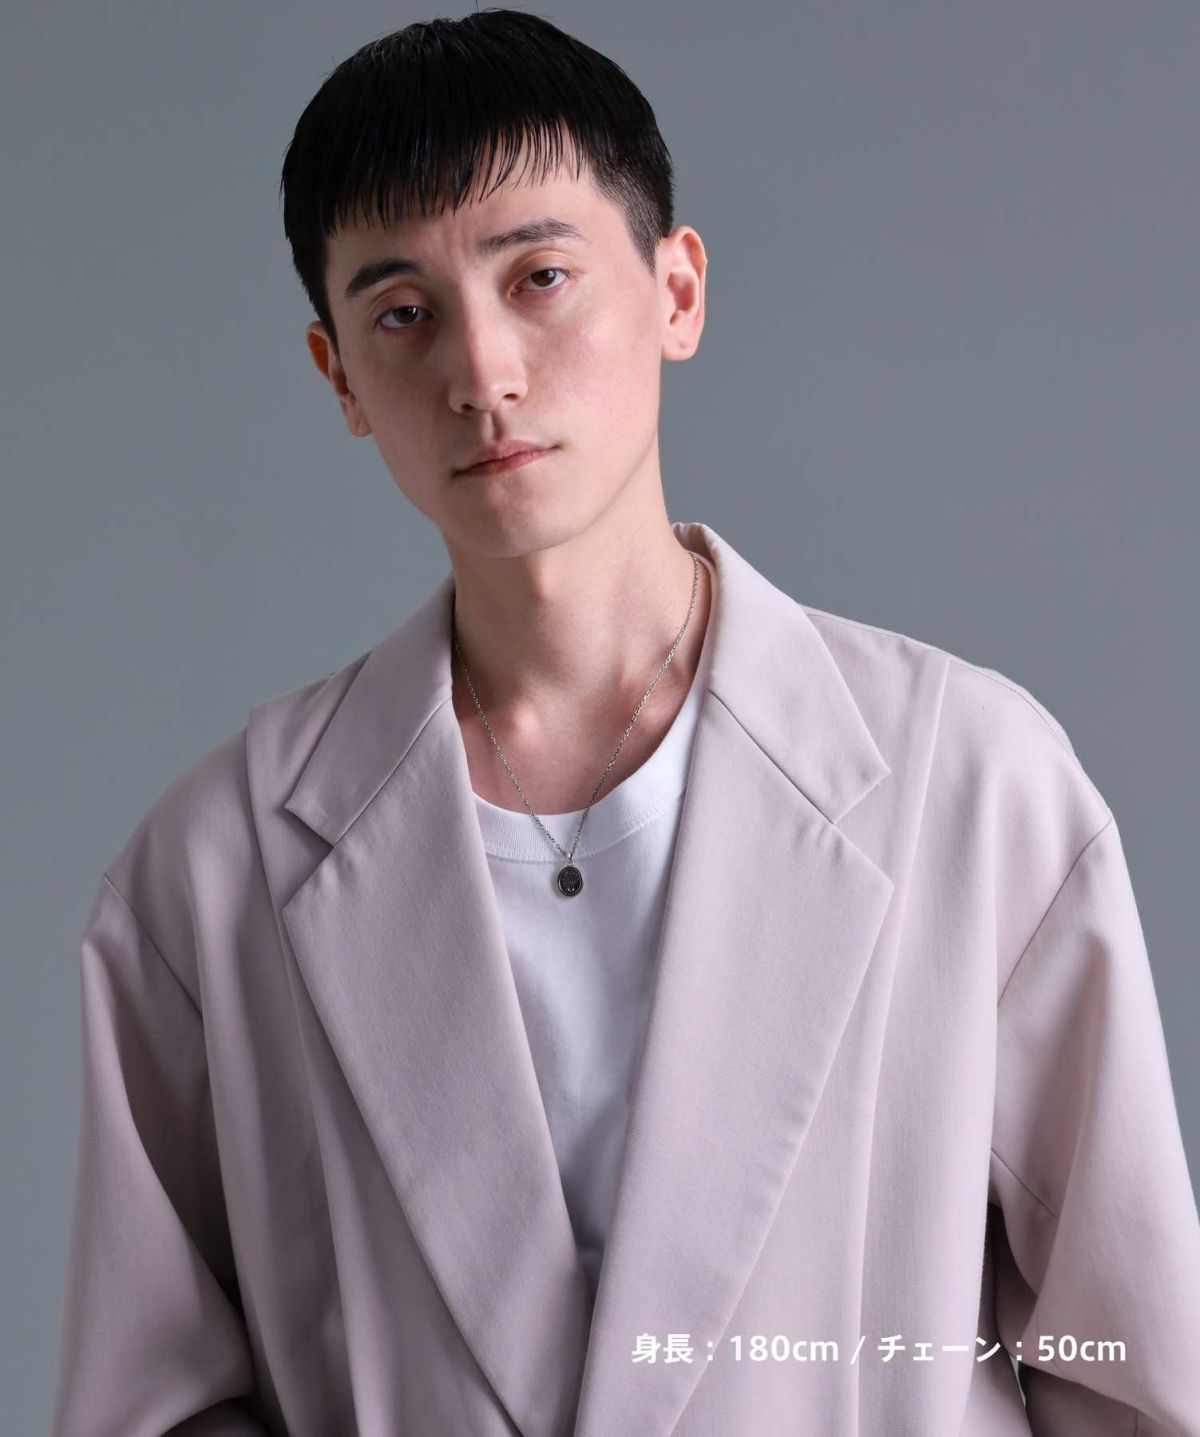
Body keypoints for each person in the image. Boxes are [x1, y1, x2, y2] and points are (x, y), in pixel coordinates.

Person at [50, 11, 1200, 1436]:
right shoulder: (210, 874)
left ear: (676, 292)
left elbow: (1129, 1367)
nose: (482, 372)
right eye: (403, 313)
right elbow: (151, 1402)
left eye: (538, 278)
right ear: (337, 372)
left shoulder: (972, 786)